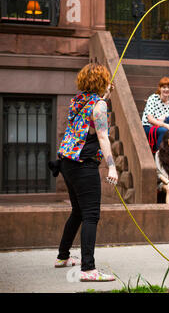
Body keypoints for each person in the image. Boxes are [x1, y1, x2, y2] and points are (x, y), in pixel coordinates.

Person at [54, 63, 117, 282]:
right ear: (101, 81)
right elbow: (102, 136)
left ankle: (63, 257)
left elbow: (86, 122)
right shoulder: (99, 105)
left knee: (78, 212)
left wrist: (105, 95)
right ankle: (88, 269)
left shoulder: (78, 100)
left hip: (66, 162)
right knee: (91, 215)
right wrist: (112, 165)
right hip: (83, 164)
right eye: (107, 79)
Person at [141, 76, 169, 152]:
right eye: (164, 87)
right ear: (160, 88)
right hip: (148, 127)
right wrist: (163, 124)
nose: (166, 89)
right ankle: (159, 155)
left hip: (161, 126)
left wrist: (163, 120)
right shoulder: (153, 98)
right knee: (163, 130)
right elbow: (150, 119)